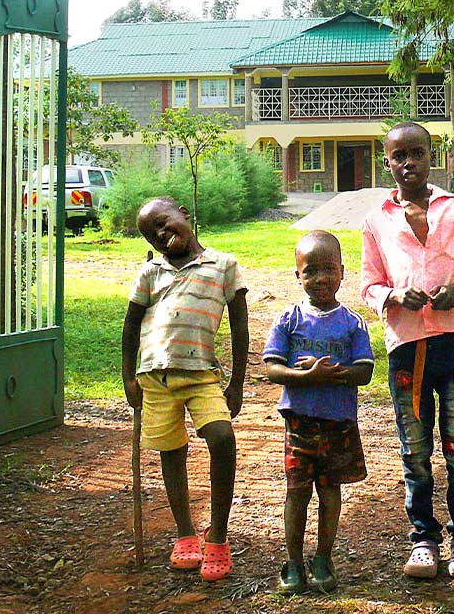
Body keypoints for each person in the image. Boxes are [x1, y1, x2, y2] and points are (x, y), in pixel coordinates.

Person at [361, 121, 454, 580]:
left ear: (431, 157)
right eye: (399, 156)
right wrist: (394, 296)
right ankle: (423, 539)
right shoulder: (377, 220)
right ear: (387, 163)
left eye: (417, 153)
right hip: (407, 350)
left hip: (453, 344)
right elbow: (369, 284)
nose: (409, 163)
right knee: (415, 451)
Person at [121, 197, 249, 582]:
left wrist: (237, 382)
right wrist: (128, 377)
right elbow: (130, 327)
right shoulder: (150, 272)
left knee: (222, 438)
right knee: (171, 451)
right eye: (152, 234)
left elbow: (240, 329)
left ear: (184, 214)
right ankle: (185, 534)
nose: (161, 235)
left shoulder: (223, 266)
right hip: (155, 378)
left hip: (201, 375)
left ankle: (218, 535)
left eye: (164, 223)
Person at [264, 230, 375, 595]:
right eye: (310, 271)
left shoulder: (353, 323)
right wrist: (305, 377)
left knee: (329, 491)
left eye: (329, 269)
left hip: (338, 425)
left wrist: (330, 373)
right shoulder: (288, 319)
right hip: (299, 424)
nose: (321, 278)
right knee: (296, 492)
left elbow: (365, 371)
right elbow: (272, 368)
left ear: (343, 271)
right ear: (298, 275)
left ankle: (323, 558)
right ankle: (294, 562)